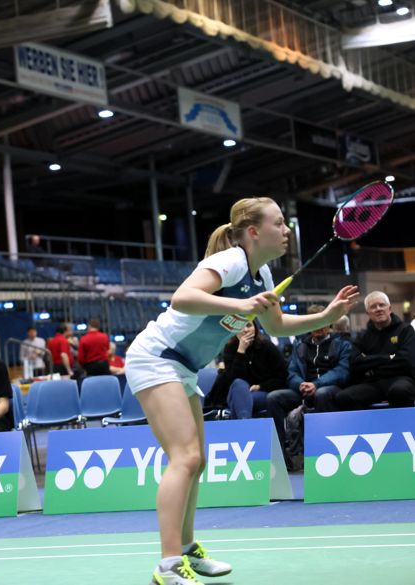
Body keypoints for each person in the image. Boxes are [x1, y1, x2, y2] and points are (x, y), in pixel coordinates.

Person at [124, 197, 358, 585]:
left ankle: (186, 551)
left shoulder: (262, 275)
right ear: (253, 232)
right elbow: (182, 297)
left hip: (182, 367)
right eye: (279, 223)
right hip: (155, 357)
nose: (286, 231)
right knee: (185, 456)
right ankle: (167, 566)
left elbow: (279, 326)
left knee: (196, 462)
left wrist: (326, 316)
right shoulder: (230, 260)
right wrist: (241, 301)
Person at [266, 304, 351, 468]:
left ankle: (322, 452)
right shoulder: (300, 346)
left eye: (321, 322)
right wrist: (300, 384)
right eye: (313, 323)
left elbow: (342, 372)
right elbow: (292, 373)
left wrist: (316, 384)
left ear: (330, 323)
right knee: (273, 398)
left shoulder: (342, 344)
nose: (317, 327)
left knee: (322, 394)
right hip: (303, 389)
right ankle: (281, 457)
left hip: (330, 388)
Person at [334, 291, 415, 410]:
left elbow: (406, 361)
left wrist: (370, 364)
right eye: (373, 307)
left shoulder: (406, 330)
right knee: (343, 397)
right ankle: (366, 427)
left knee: (400, 391)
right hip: (372, 383)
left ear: (389, 308)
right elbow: (355, 363)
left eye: (382, 305)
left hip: (401, 379)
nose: (378, 309)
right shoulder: (363, 336)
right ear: (368, 313)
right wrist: (389, 357)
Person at [208, 320, 287, 419]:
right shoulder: (230, 348)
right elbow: (233, 380)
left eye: (248, 325)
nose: (245, 330)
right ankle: (245, 426)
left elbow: (282, 377)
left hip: (262, 392)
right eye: (240, 327)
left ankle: (243, 426)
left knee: (240, 402)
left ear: (255, 328)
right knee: (239, 385)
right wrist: (241, 351)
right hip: (236, 392)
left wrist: (260, 386)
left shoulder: (267, 347)